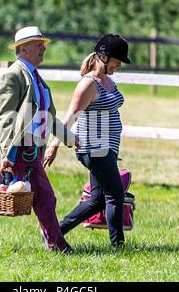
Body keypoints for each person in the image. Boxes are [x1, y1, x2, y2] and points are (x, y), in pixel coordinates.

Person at [0, 26, 76, 253]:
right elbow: (6, 118)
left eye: (43, 44)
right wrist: (6, 156)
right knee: (18, 197)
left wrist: (71, 139)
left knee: (38, 198)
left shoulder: (36, 77)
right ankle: (57, 245)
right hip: (19, 149)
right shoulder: (12, 75)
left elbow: (48, 117)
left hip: (34, 149)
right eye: (38, 44)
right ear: (23, 49)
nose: (43, 48)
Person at [43, 34, 131, 248]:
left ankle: (55, 232)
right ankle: (118, 246)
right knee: (115, 195)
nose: (119, 64)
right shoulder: (88, 84)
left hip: (104, 148)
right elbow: (70, 116)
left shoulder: (108, 81)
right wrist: (54, 146)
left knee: (97, 199)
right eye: (117, 60)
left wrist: (111, 149)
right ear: (103, 56)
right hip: (92, 148)